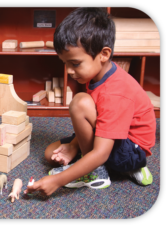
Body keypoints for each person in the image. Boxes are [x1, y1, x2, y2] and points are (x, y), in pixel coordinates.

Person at [24, 7, 156, 196]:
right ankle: (91, 163)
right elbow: (100, 117)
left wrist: (57, 181)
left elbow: (101, 151)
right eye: (65, 63)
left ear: (104, 54)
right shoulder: (97, 73)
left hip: (131, 151)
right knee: (51, 154)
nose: (69, 70)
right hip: (112, 134)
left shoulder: (115, 92)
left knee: (80, 103)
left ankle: (98, 173)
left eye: (75, 63)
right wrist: (73, 146)